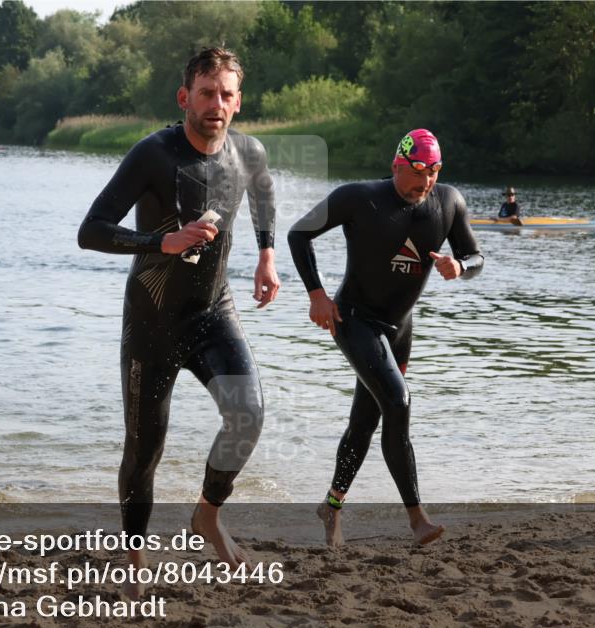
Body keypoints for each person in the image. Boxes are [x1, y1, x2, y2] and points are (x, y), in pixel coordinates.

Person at [77, 47, 279, 596]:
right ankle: (133, 553)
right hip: (152, 320)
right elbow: (90, 230)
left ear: (239, 102)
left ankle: (207, 514)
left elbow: (261, 194)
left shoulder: (249, 152)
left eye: (227, 95)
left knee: (249, 413)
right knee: (145, 448)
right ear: (184, 96)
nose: (217, 104)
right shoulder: (154, 154)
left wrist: (266, 255)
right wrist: (158, 241)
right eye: (207, 93)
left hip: (214, 310)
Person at [287, 128, 483, 547]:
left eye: (432, 173)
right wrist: (317, 294)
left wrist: (460, 268)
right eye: (416, 172)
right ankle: (418, 520)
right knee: (398, 400)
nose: (425, 182)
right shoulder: (359, 198)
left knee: (366, 420)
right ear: (396, 166)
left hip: (400, 330)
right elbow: (298, 235)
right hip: (354, 319)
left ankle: (331, 507)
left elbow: (475, 256)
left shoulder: (449, 202)